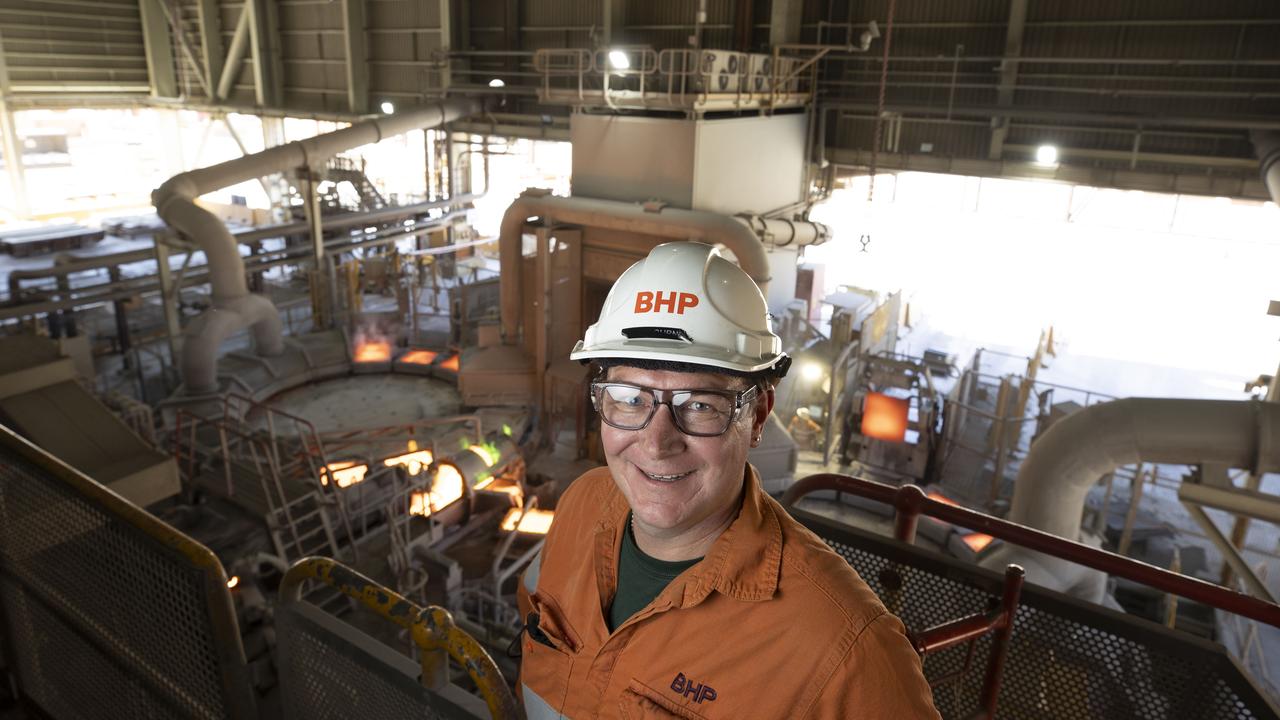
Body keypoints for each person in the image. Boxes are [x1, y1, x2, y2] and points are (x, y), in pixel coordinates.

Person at [517, 242, 939, 719]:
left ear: (758, 415)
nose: (657, 444)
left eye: (699, 405)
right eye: (629, 398)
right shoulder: (582, 504)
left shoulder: (846, 655)